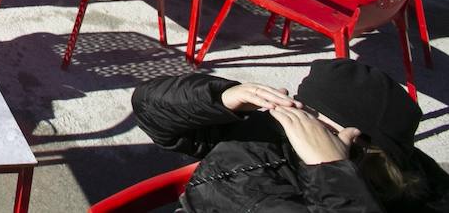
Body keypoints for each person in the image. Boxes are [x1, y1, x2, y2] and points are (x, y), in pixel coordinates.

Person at [131, 60, 448, 213]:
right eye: (300, 106)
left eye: (312, 118)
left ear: (362, 146)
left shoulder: (419, 183)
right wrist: (222, 98)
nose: (294, 119)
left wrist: (330, 171)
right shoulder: (262, 141)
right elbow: (149, 108)